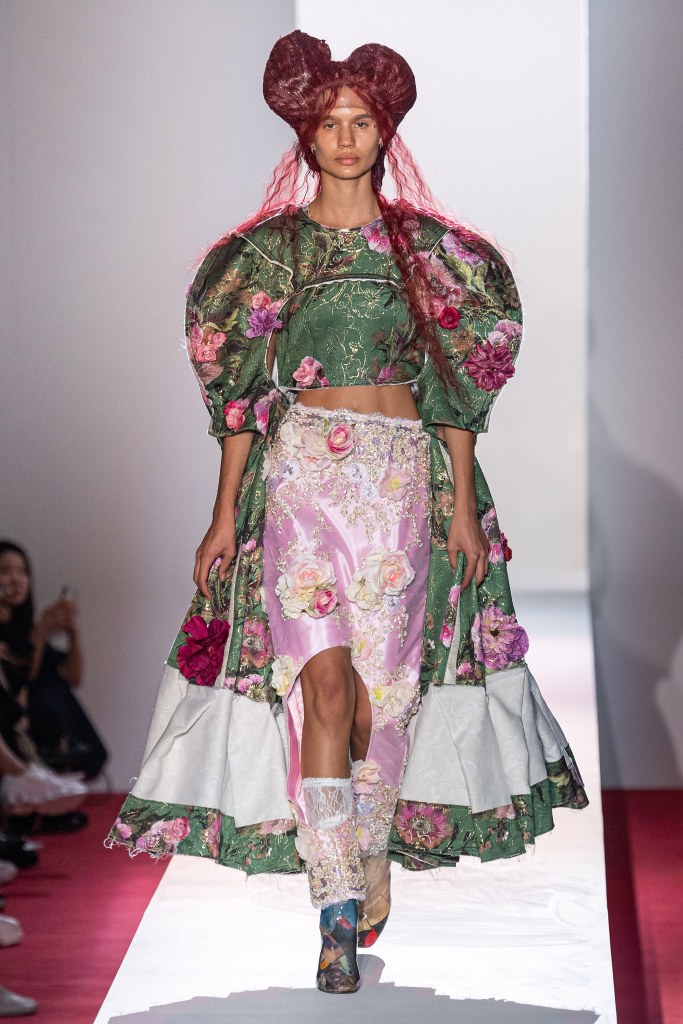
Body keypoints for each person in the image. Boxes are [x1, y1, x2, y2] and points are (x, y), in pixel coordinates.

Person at [106, 31, 588, 993]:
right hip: (302, 481)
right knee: (321, 686)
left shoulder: (431, 254)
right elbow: (241, 398)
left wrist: (461, 504)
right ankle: (332, 905)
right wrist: (221, 515)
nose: (344, 138)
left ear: (384, 131)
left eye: (360, 122)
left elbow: (456, 386)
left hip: (401, 483)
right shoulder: (266, 255)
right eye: (329, 123)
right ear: (304, 133)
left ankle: (368, 849)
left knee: (383, 699)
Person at [0, 542, 106, 832]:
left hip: (18, 721)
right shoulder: (26, 633)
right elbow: (22, 676)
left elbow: (73, 675)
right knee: (46, 687)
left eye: (22, 572)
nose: (16, 580)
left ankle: (58, 767)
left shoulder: (22, 629)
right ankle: (26, 778)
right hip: (14, 721)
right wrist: (45, 626)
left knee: (54, 683)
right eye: (5, 571)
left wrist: (71, 630)